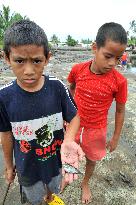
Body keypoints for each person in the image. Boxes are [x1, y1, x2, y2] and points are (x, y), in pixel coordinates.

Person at [0, 20, 84, 205]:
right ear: (6, 58)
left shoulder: (57, 87)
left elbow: (75, 116)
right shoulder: (4, 97)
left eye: (37, 61)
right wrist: (8, 166)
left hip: (55, 161)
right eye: (19, 61)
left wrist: (69, 140)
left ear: (47, 58)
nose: (29, 71)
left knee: (53, 188)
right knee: (32, 197)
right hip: (27, 167)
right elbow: (5, 135)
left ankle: (50, 197)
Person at [66, 22, 127, 204]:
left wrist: (115, 137)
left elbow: (121, 110)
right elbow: (70, 88)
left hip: (97, 129)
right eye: (108, 56)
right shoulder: (78, 69)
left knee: (92, 159)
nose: (112, 63)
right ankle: (69, 175)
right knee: (69, 154)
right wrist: (68, 113)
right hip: (74, 124)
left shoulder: (120, 81)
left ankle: (85, 183)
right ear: (95, 48)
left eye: (117, 58)